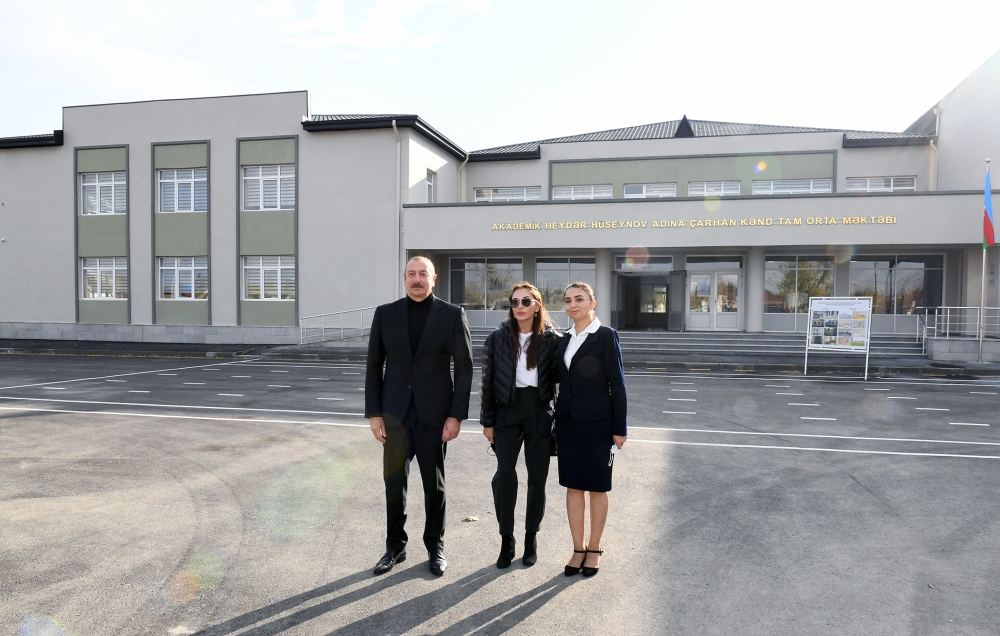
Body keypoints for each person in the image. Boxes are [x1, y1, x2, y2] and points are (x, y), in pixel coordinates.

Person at [365, 256, 473, 577]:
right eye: (411, 274)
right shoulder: (385, 314)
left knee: (434, 486)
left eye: (422, 274)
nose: (416, 279)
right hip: (395, 415)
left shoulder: (452, 315)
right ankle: (394, 547)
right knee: (394, 484)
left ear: (433, 278)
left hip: (434, 416)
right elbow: (374, 365)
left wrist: (455, 416)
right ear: (404, 278)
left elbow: (464, 368)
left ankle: (435, 546)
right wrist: (374, 414)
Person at [480, 282, 561, 569]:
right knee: (504, 476)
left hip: (539, 411)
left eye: (526, 301)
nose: (519, 307)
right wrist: (487, 421)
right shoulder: (497, 338)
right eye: (514, 302)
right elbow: (488, 381)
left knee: (537, 479)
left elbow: (564, 378)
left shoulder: (552, 340)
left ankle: (530, 538)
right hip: (507, 411)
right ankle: (507, 539)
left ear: (537, 305)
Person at [554, 281, 627, 578]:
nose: (573, 304)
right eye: (568, 300)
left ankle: (594, 548)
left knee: (597, 487)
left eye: (579, 299)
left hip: (599, 425)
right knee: (573, 486)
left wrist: (619, 428)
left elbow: (618, 384)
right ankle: (578, 548)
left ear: (592, 303)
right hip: (568, 424)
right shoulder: (564, 339)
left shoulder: (606, 336)